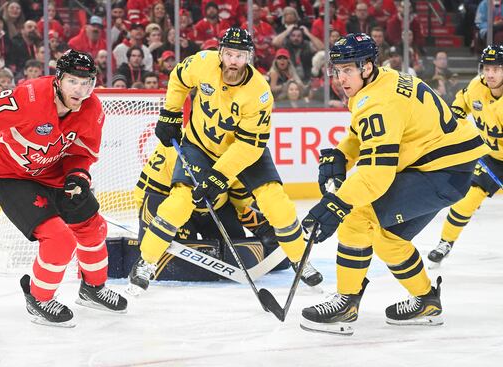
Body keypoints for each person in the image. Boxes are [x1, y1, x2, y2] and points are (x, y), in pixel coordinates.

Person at [299, 33, 489, 335]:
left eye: (348, 69)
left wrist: (335, 205)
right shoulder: (382, 80)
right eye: (337, 69)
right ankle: (427, 302)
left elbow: (377, 173)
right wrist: (341, 154)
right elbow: (361, 131)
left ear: (367, 66)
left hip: (440, 171)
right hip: (446, 167)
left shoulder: (378, 102)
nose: (341, 78)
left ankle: (346, 303)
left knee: (357, 218)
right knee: (387, 238)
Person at [0, 50, 128, 327]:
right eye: (73, 81)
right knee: (59, 239)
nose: (80, 89)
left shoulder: (92, 109)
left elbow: (80, 152)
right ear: (59, 79)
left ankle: (93, 289)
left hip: (55, 175)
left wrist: (77, 176)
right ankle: (39, 298)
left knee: (94, 226)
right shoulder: (28, 99)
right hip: (13, 177)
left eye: (87, 83)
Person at [126, 28, 317, 296]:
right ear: (221, 53)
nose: (233, 61)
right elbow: (179, 78)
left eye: (240, 55)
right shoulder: (203, 63)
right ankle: (146, 261)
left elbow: (249, 146)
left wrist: (219, 175)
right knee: (180, 200)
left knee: (276, 201)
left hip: (246, 150)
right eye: (229, 53)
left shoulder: (259, 93)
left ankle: (300, 259)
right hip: (199, 145)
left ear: (249, 58)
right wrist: (170, 113)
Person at [132, 141, 322, 290]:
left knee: (242, 252)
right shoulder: (174, 149)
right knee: (175, 258)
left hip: (217, 210)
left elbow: (241, 202)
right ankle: (148, 259)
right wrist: (149, 226)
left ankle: (287, 253)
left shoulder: (237, 154)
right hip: (178, 214)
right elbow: (147, 192)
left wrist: (265, 229)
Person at [427, 45, 503, 267]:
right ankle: (445, 243)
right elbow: (462, 102)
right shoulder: (477, 86)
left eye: (497, 68)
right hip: (491, 158)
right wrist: (455, 117)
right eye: (487, 68)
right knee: (466, 200)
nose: (490, 74)